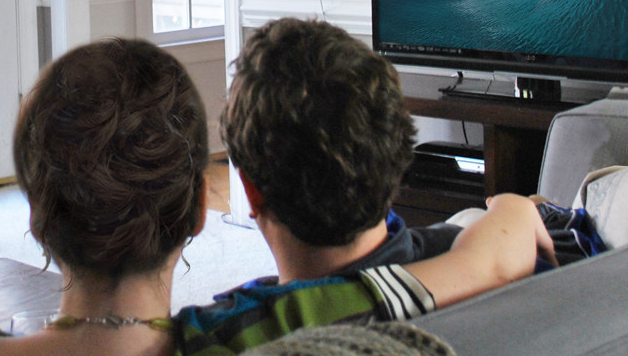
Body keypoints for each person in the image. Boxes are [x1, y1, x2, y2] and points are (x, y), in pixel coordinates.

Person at [0, 37, 553, 356]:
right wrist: (515, 205)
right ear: (195, 209)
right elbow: (483, 263)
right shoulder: (263, 329)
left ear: (37, 216)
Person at [220, 17, 583, 299]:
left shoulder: (235, 331)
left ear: (251, 191)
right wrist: (515, 210)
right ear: (396, 154)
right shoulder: (533, 259)